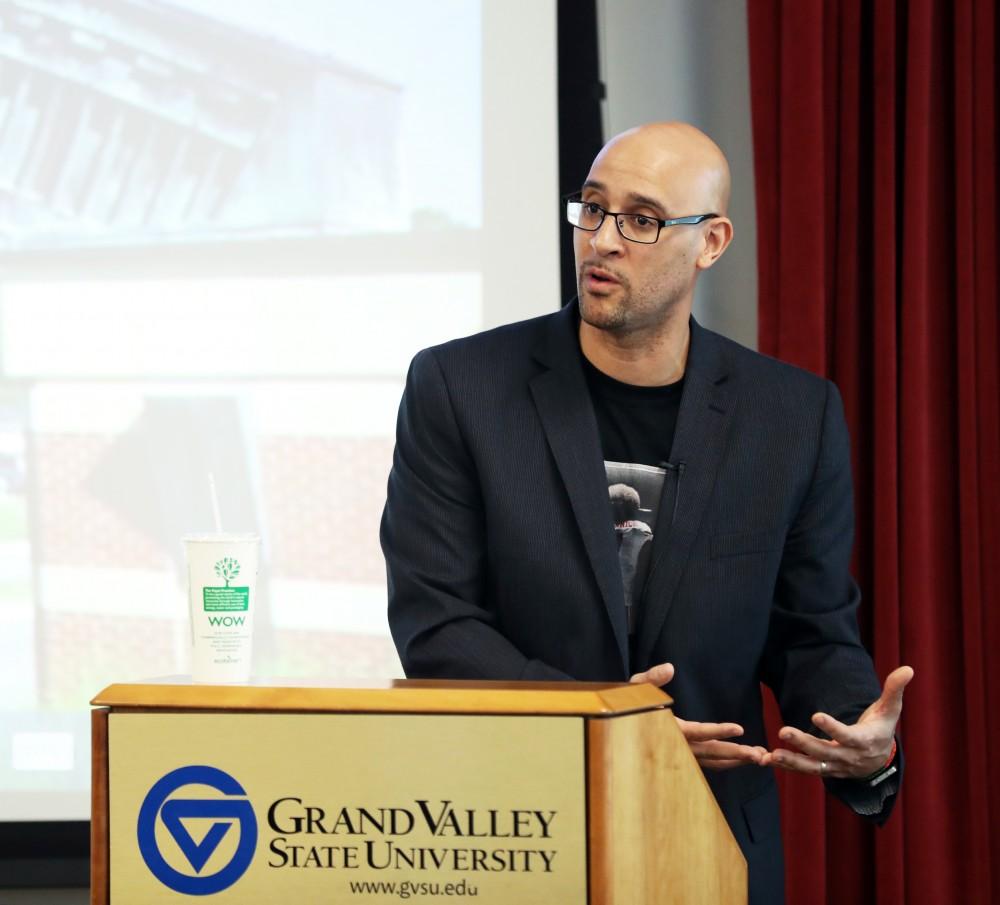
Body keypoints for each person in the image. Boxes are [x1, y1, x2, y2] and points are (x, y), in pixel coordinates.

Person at [381, 122, 911, 904]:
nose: (602, 241)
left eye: (642, 219)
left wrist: (862, 741)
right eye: (592, 209)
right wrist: (613, 726)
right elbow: (437, 624)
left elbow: (810, 629)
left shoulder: (792, 415)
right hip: (507, 836)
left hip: (711, 843)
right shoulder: (460, 387)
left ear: (712, 242)